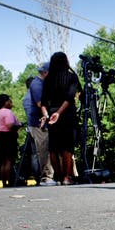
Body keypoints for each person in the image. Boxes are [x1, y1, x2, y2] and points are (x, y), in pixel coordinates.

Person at [41, 52, 81, 186]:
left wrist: (47, 116)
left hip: (51, 114)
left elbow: (43, 102)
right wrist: (59, 113)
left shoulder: (48, 79)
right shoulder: (71, 77)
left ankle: (58, 178)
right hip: (67, 114)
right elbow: (70, 97)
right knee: (67, 147)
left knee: (54, 147)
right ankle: (66, 177)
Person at [25, 63, 56, 186]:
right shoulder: (37, 85)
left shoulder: (43, 84)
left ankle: (50, 175)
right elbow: (40, 103)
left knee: (48, 148)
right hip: (38, 123)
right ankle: (46, 177)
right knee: (44, 149)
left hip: (43, 121)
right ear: (45, 72)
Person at [0, 94, 22, 188]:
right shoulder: (7, 112)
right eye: (9, 101)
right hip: (8, 137)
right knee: (9, 160)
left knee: (3, 161)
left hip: (0, 137)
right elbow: (9, 125)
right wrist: (19, 125)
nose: (11, 103)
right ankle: (10, 180)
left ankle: (4, 182)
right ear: (5, 102)